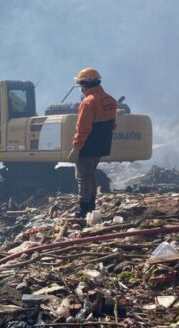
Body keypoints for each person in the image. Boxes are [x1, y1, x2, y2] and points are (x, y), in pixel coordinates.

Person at [67, 68, 117, 218]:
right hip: (102, 144)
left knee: (83, 177)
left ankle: (84, 209)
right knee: (90, 176)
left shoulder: (88, 103)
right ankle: (91, 207)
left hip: (88, 145)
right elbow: (112, 124)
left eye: (81, 85)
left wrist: (76, 148)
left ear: (85, 84)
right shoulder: (110, 100)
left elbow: (83, 128)